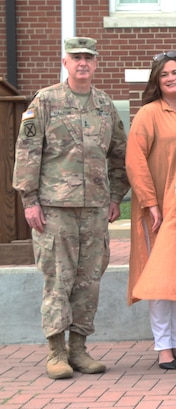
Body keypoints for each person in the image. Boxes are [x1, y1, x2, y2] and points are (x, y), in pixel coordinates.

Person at [13, 37, 129, 380]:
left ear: (95, 64)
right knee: (58, 280)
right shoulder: (45, 101)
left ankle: (79, 349)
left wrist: (114, 197)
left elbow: (120, 156)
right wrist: (29, 201)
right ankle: (56, 352)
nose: (83, 63)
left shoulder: (105, 105)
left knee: (88, 281)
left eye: (88, 58)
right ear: (65, 62)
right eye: (76, 57)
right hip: (55, 209)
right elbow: (27, 151)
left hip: (94, 209)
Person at [126, 51, 176, 370]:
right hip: (162, 208)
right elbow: (135, 160)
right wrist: (150, 203)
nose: (171, 78)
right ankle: (163, 346)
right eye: (164, 75)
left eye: (175, 72)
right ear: (156, 82)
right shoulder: (148, 114)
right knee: (162, 274)